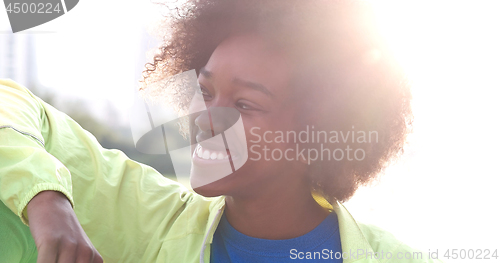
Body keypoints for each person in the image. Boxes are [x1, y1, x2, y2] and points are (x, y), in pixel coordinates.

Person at [0, 0, 442, 262]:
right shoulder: (149, 219)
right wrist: (46, 201)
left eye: (246, 104)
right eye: (205, 91)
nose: (204, 118)